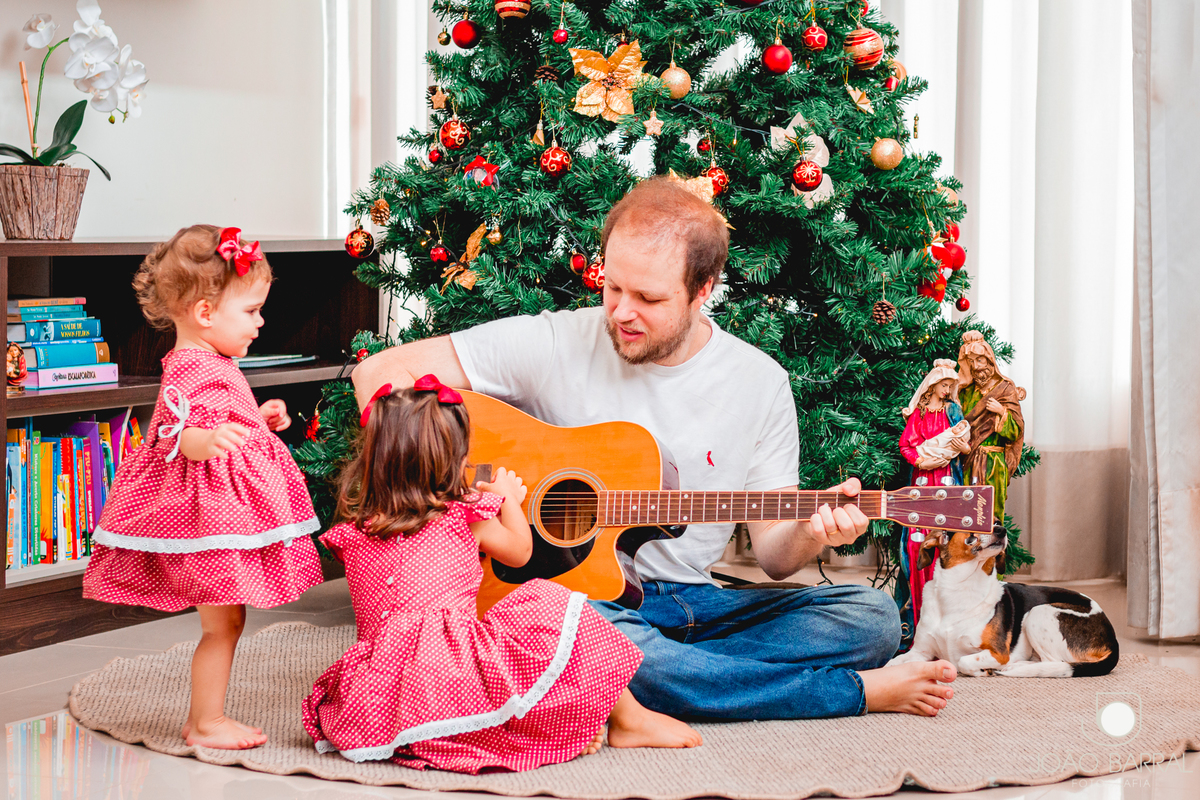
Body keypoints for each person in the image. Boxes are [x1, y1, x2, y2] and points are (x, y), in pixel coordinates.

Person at [352, 176, 957, 720]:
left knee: (871, 619)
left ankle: (651, 677)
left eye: (648, 298)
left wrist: (814, 534)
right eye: (612, 287)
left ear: (703, 290)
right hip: (576, 600)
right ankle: (844, 692)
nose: (620, 312)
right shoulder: (554, 340)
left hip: (695, 602)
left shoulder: (758, 380)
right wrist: (441, 486)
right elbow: (378, 374)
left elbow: (775, 557)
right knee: (590, 632)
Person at [301, 379, 701, 772]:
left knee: (474, 681)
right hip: (449, 675)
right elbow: (520, 551)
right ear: (450, 462)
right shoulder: (461, 516)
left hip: (376, 696)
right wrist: (508, 498)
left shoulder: (354, 532)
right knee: (549, 601)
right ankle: (628, 718)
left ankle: (468, 731)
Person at [82, 225, 324, 750]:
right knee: (223, 625)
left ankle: (206, 717)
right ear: (206, 314)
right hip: (206, 521)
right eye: (252, 311)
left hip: (217, 516)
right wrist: (202, 439)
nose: (261, 323)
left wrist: (257, 418)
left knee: (229, 621)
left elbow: (217, 413)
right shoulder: (190, 368)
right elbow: (173, 431)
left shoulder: (212, 361)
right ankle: (206, 722)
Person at [896, 359, 971, 632]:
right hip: (923, 480)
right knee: (918, 539)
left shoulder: (953, 412)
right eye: (944, 384)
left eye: (951, 384)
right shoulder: (921, 414)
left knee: (947, 537)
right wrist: (919, 461)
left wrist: (962, 447)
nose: (947, 388)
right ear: (932, 385)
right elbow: (906, 444)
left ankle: (952, 623)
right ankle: (915, 620)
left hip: (947, 480)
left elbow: (965, 444)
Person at [957, 331, 1026, 525]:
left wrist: (1001, 412)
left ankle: (991, 553)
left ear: (989, 360)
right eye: (972, 362)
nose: (977, 367)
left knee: (991, 517)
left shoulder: (1005, 389)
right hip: (967, 460)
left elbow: (1015, 431)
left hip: (993, 464)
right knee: (966, 512)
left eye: (980, 360)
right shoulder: (965, 392)